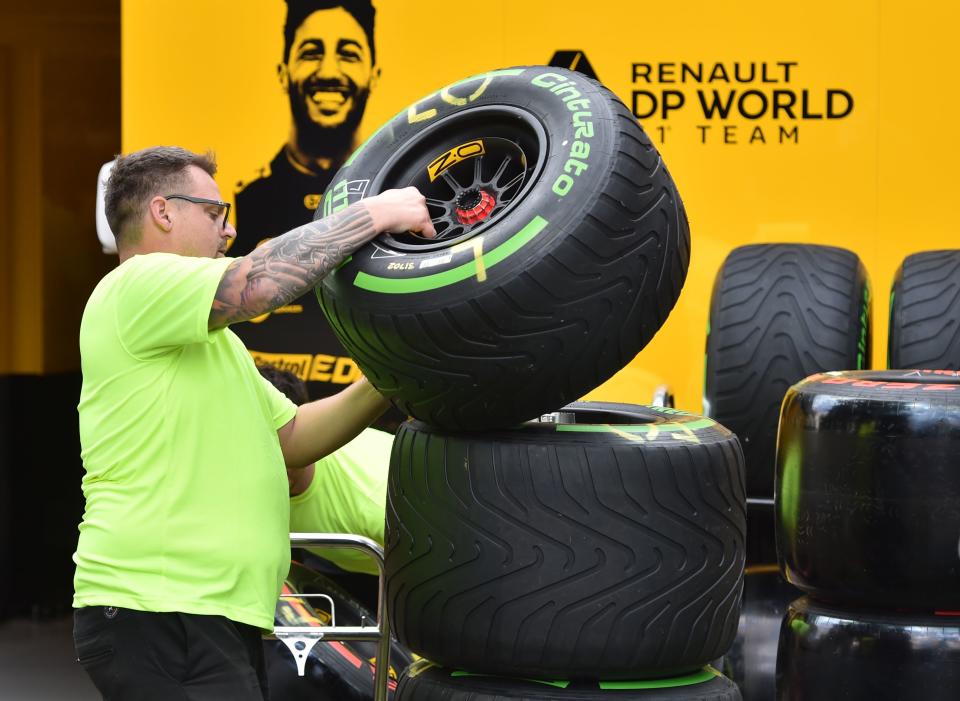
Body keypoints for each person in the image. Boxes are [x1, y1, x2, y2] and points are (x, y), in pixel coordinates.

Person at [72, 145, 433, 700]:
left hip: (211, 613)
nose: (229, 229)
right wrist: (379, 213)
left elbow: (294, 440)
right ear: (164, 212)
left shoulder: (218, 348)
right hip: (164, 607)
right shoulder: (134, 285)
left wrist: (393, 370)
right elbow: (258, 284)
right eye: (215, 213)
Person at [233, 0, 381, 403]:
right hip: (261, 429)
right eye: (311, 52)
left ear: (374, 73)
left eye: (348, 54)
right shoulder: (239, 205)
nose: (329, 72)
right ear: (283, 73)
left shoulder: (398, 196)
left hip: (376, 429)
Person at [259, 364, 389, 610]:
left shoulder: (373, 495)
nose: (274, 464)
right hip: (337, 562)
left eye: (281, 447)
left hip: (416, 560)